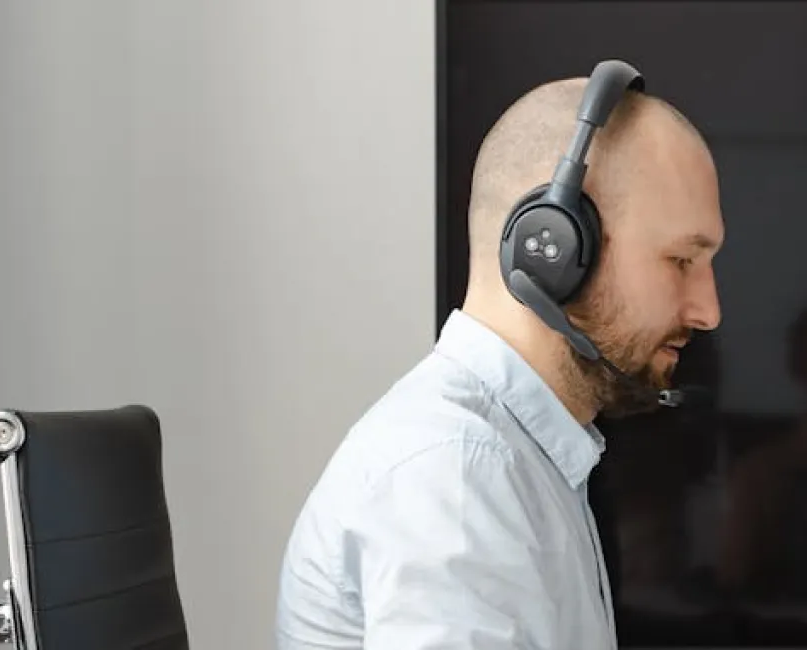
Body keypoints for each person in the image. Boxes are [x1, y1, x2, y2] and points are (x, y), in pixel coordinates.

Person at [273, 66, 724, 649]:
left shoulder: (519, 455)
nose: (708, 311)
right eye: (681, 261)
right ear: (555, 249)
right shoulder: (458, 474)